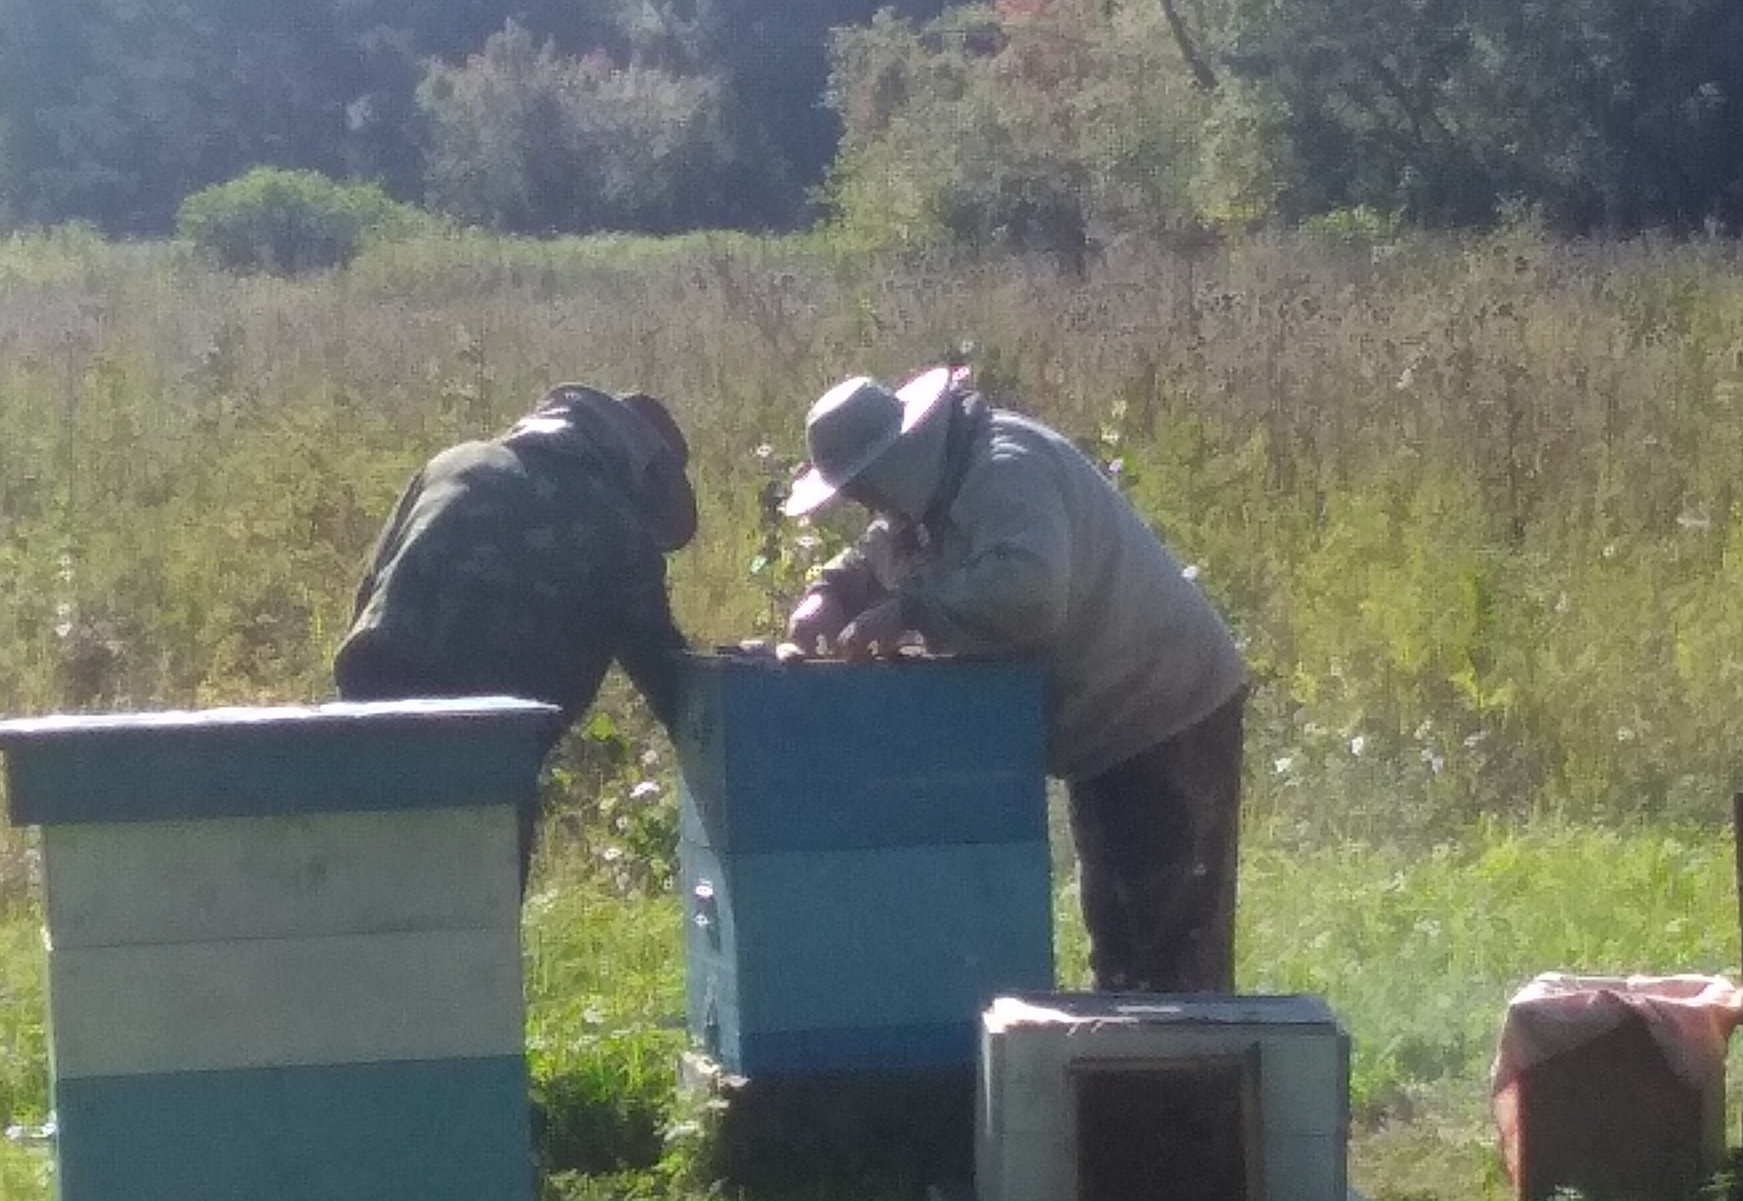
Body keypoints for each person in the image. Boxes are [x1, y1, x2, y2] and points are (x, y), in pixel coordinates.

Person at [784, 365, 1248, 993]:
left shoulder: (1005, 467)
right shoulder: (941, 483)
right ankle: (1133, 1084)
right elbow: (883, 550)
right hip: (1107, 729)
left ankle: (1197, 1090)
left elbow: (1030, 592)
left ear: (896, 459)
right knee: (1119, 941)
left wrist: (913, 610)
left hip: (1166, 710)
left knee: (1170, 946)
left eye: (864, 485)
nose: (866, 502)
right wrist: (831, 595)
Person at [333, 385, 697, 868]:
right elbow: (666, 676)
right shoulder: (615, 523)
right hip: (489, 735)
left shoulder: (452, 464)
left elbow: (370, 593)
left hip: (372, 700)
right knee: (479, 907)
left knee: (376, 898)